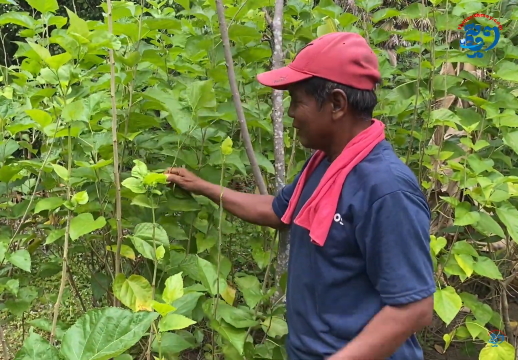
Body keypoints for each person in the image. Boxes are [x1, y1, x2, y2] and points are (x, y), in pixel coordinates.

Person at [165, 32, 436, 360]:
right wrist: (204, 187)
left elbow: (414, 308)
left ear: (336, 104)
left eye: (296, 101)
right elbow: (280, 211)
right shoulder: (326, 163)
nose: (290, 114)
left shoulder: (386, 189)